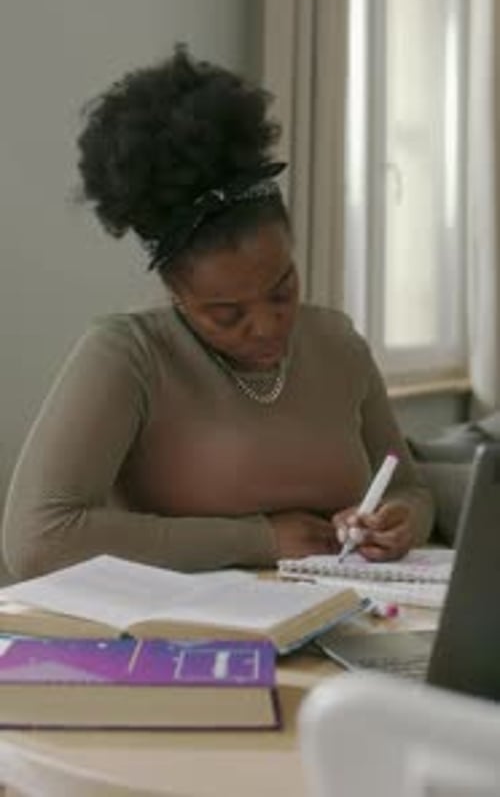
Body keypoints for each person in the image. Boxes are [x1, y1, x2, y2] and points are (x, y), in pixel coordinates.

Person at [2, 46, 434, 579]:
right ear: (175, 294)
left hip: (340, 621)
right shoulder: (129, 355)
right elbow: (37, 541)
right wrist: (260, 539)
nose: (268, 324)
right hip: (183, 643)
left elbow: (410, 488)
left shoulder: (338, 343)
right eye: (227, 315)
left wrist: (399, 522)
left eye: (282, 290)